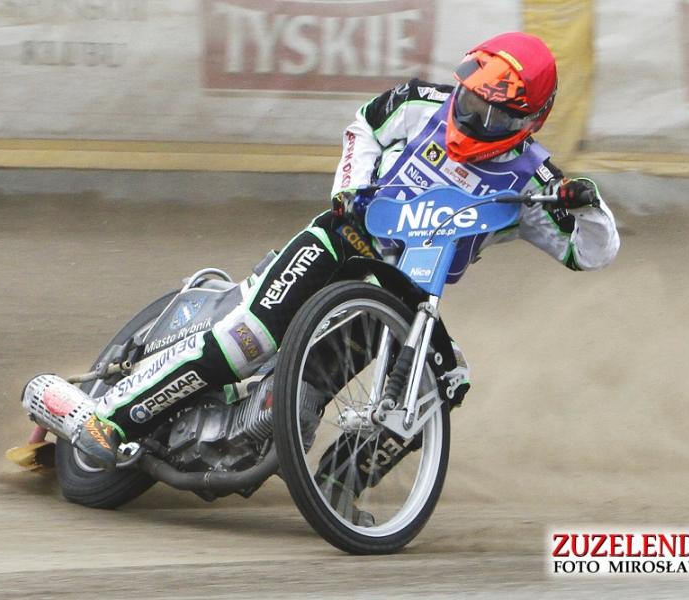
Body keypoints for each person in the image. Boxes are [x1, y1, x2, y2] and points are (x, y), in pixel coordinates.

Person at [73, 31, 620, 467]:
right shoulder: (418, 102)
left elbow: (590, 253)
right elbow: (364, 126)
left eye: (493, 115)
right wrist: (350, 189)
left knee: (444, 378)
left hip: (400, 297)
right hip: (340, 241)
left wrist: (589, 206)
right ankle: (111, 418)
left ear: (529, 120)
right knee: (248, 338)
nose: (474, 117)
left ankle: (338, 487)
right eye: (472, 100)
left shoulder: (536, 181)